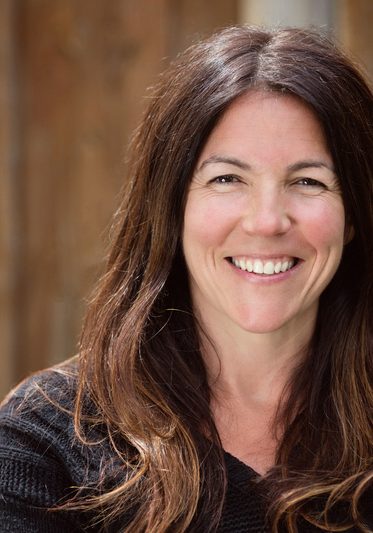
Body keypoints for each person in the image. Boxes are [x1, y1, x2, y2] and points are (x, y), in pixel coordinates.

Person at [0, 25, 372, 533]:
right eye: (227, 179)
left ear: (353, 215)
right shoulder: (48, 441)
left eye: (307, 181)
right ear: (171, 207)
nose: (267, 221)